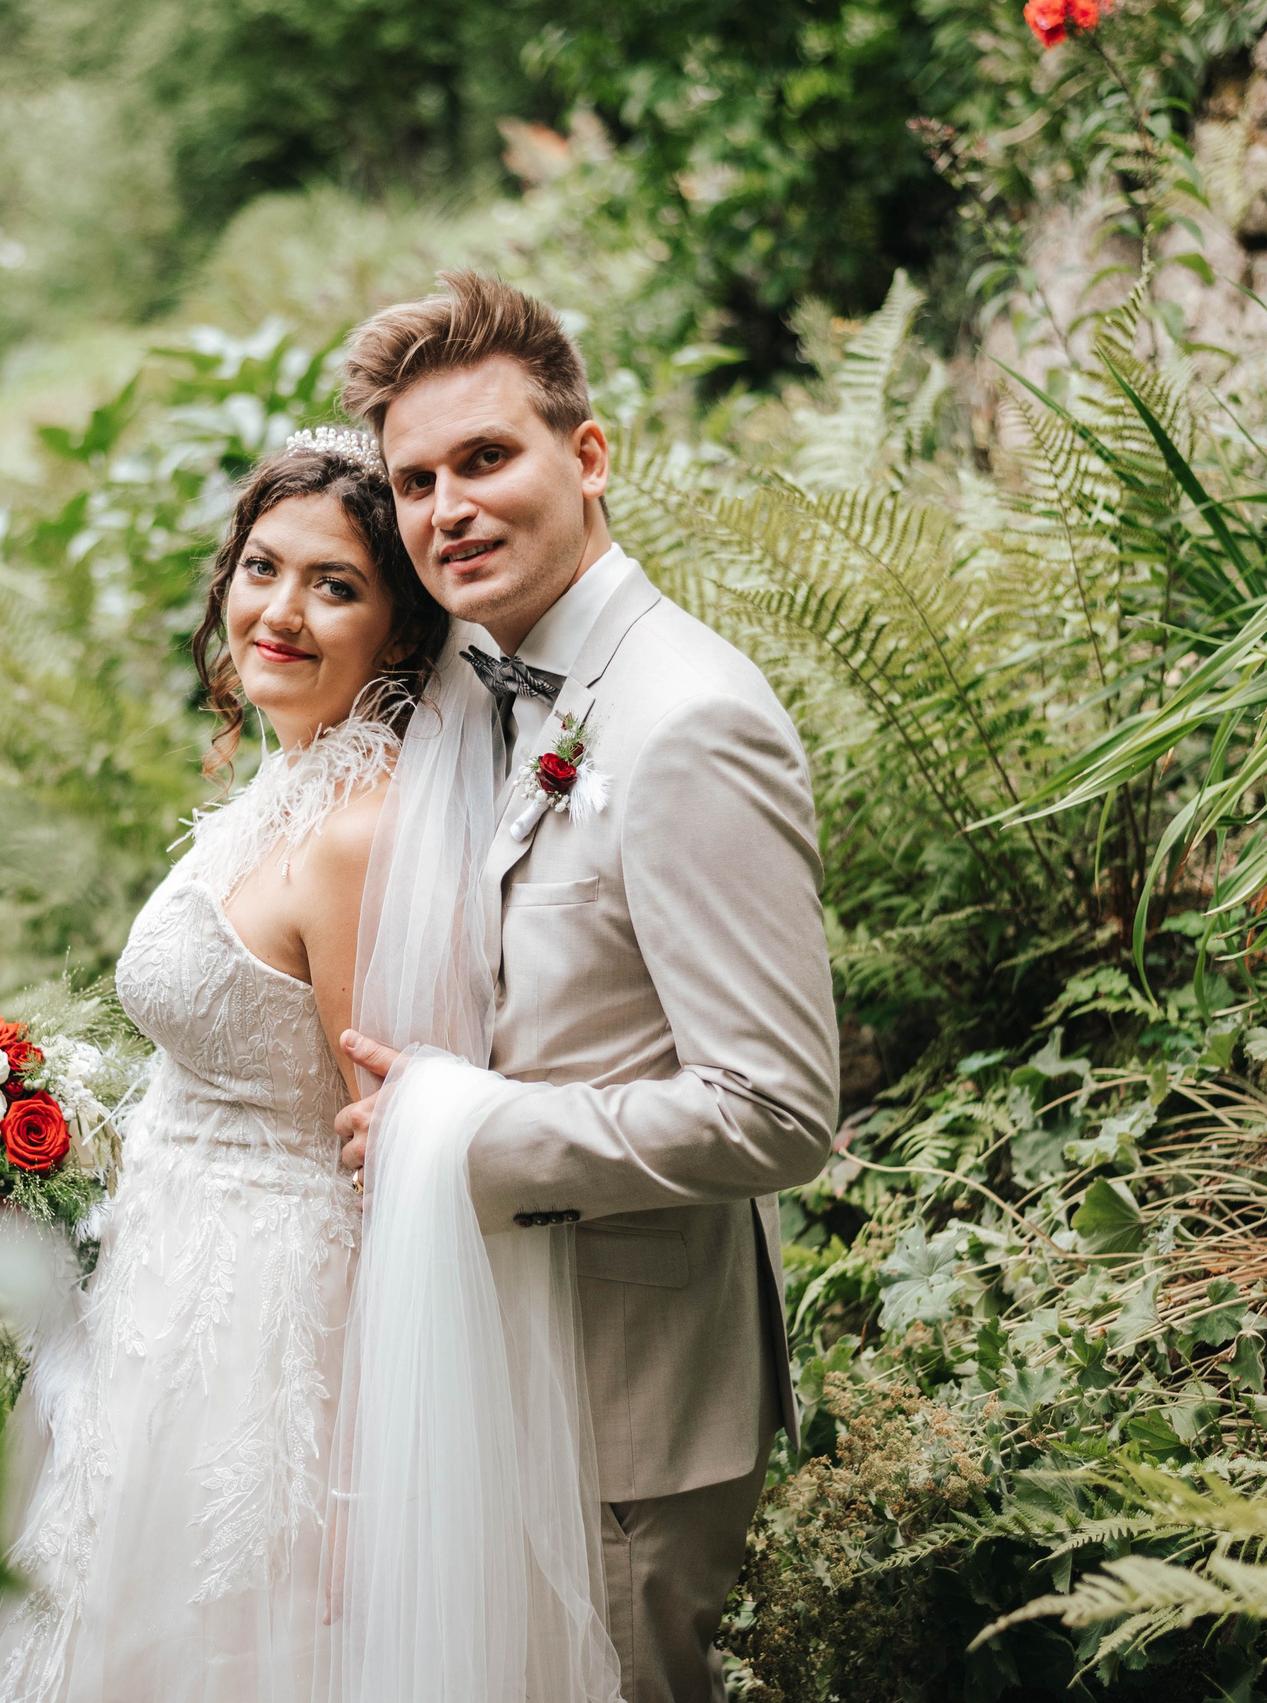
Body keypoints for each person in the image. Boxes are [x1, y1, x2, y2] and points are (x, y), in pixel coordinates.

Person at [333, 271, 843, 1703]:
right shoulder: (470, 681)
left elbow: (777, 1111)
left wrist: (466, 1135)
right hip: (490, 1368)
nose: (449, 509)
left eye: (486, 458)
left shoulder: (689, 718)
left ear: (590, 454)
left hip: (629, 1408)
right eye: (417, 479)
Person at [0, 430, 453, 1703]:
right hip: (159, 1291)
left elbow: (379, 1152)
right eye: (262, 568)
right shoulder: (281, 787)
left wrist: (362, 1477)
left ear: (398, 630)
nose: (279, 611)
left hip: (265, 1334)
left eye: (333, 584)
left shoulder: (356, 832)